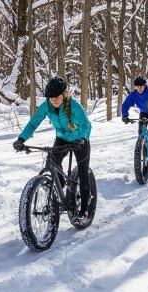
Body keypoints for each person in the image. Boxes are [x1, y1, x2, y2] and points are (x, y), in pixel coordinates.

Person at [13, 76, 92, 224]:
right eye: (51, 97)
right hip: (62, 138)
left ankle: (83, 211)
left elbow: (86, 124)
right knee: (51, 163)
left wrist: (82, 139)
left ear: (64, 94)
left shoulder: (74, 105)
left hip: (79, 140)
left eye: (57, 97)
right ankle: (61, 187)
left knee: (83, 173)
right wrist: (21, 139)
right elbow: (33, 122)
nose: (54, 100)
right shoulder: (47, 106)